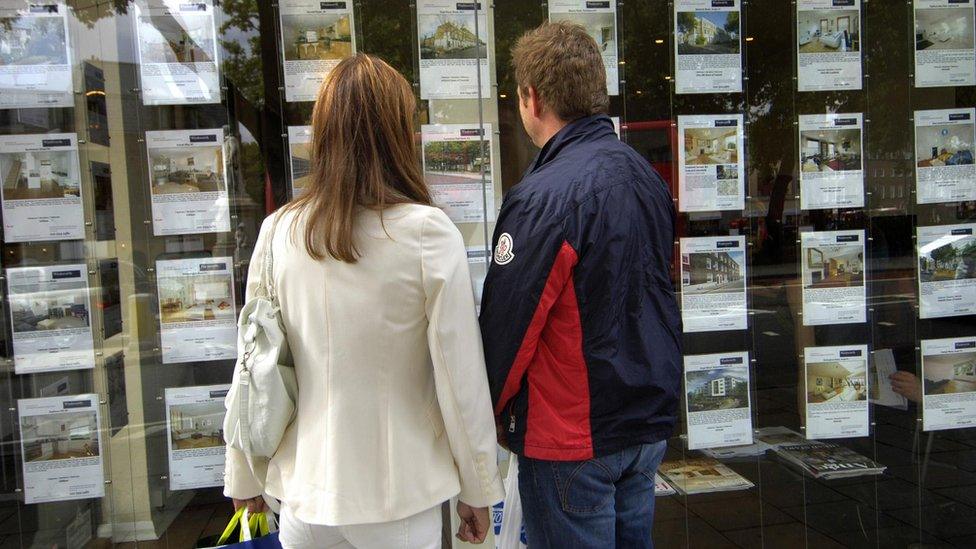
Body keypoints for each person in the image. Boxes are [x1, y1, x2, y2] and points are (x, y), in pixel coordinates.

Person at [223, 54, 504, 549]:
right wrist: (478, 487)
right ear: (399, 132)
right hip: (398, 497)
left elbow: (254, 366)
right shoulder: (426, 233)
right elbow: (460, 379)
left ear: (324, 133)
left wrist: (243, 477)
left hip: (304, 495)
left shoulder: (278, 232)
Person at [479, 22, 682, 548]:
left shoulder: (543, 196)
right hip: (642, 425)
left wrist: (488, 418)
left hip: (574, 436)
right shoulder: (645, 177)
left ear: (531, 97)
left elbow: (510, 327)